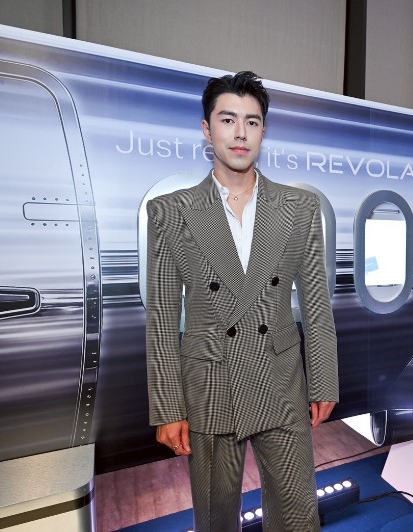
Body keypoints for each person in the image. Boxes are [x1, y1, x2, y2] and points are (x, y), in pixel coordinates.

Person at [145, 70, 339, 531]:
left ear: (263, 131)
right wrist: (168, 406)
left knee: (298, 516)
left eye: (252, 122)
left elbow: (317, 303)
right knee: (216, 519)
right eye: (228, 120)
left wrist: (324, 381)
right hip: (211, 382)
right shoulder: (170, 212)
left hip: (281, 380)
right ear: (207, 129)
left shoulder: (298, 208)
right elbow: (162, 318)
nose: (240, 133)